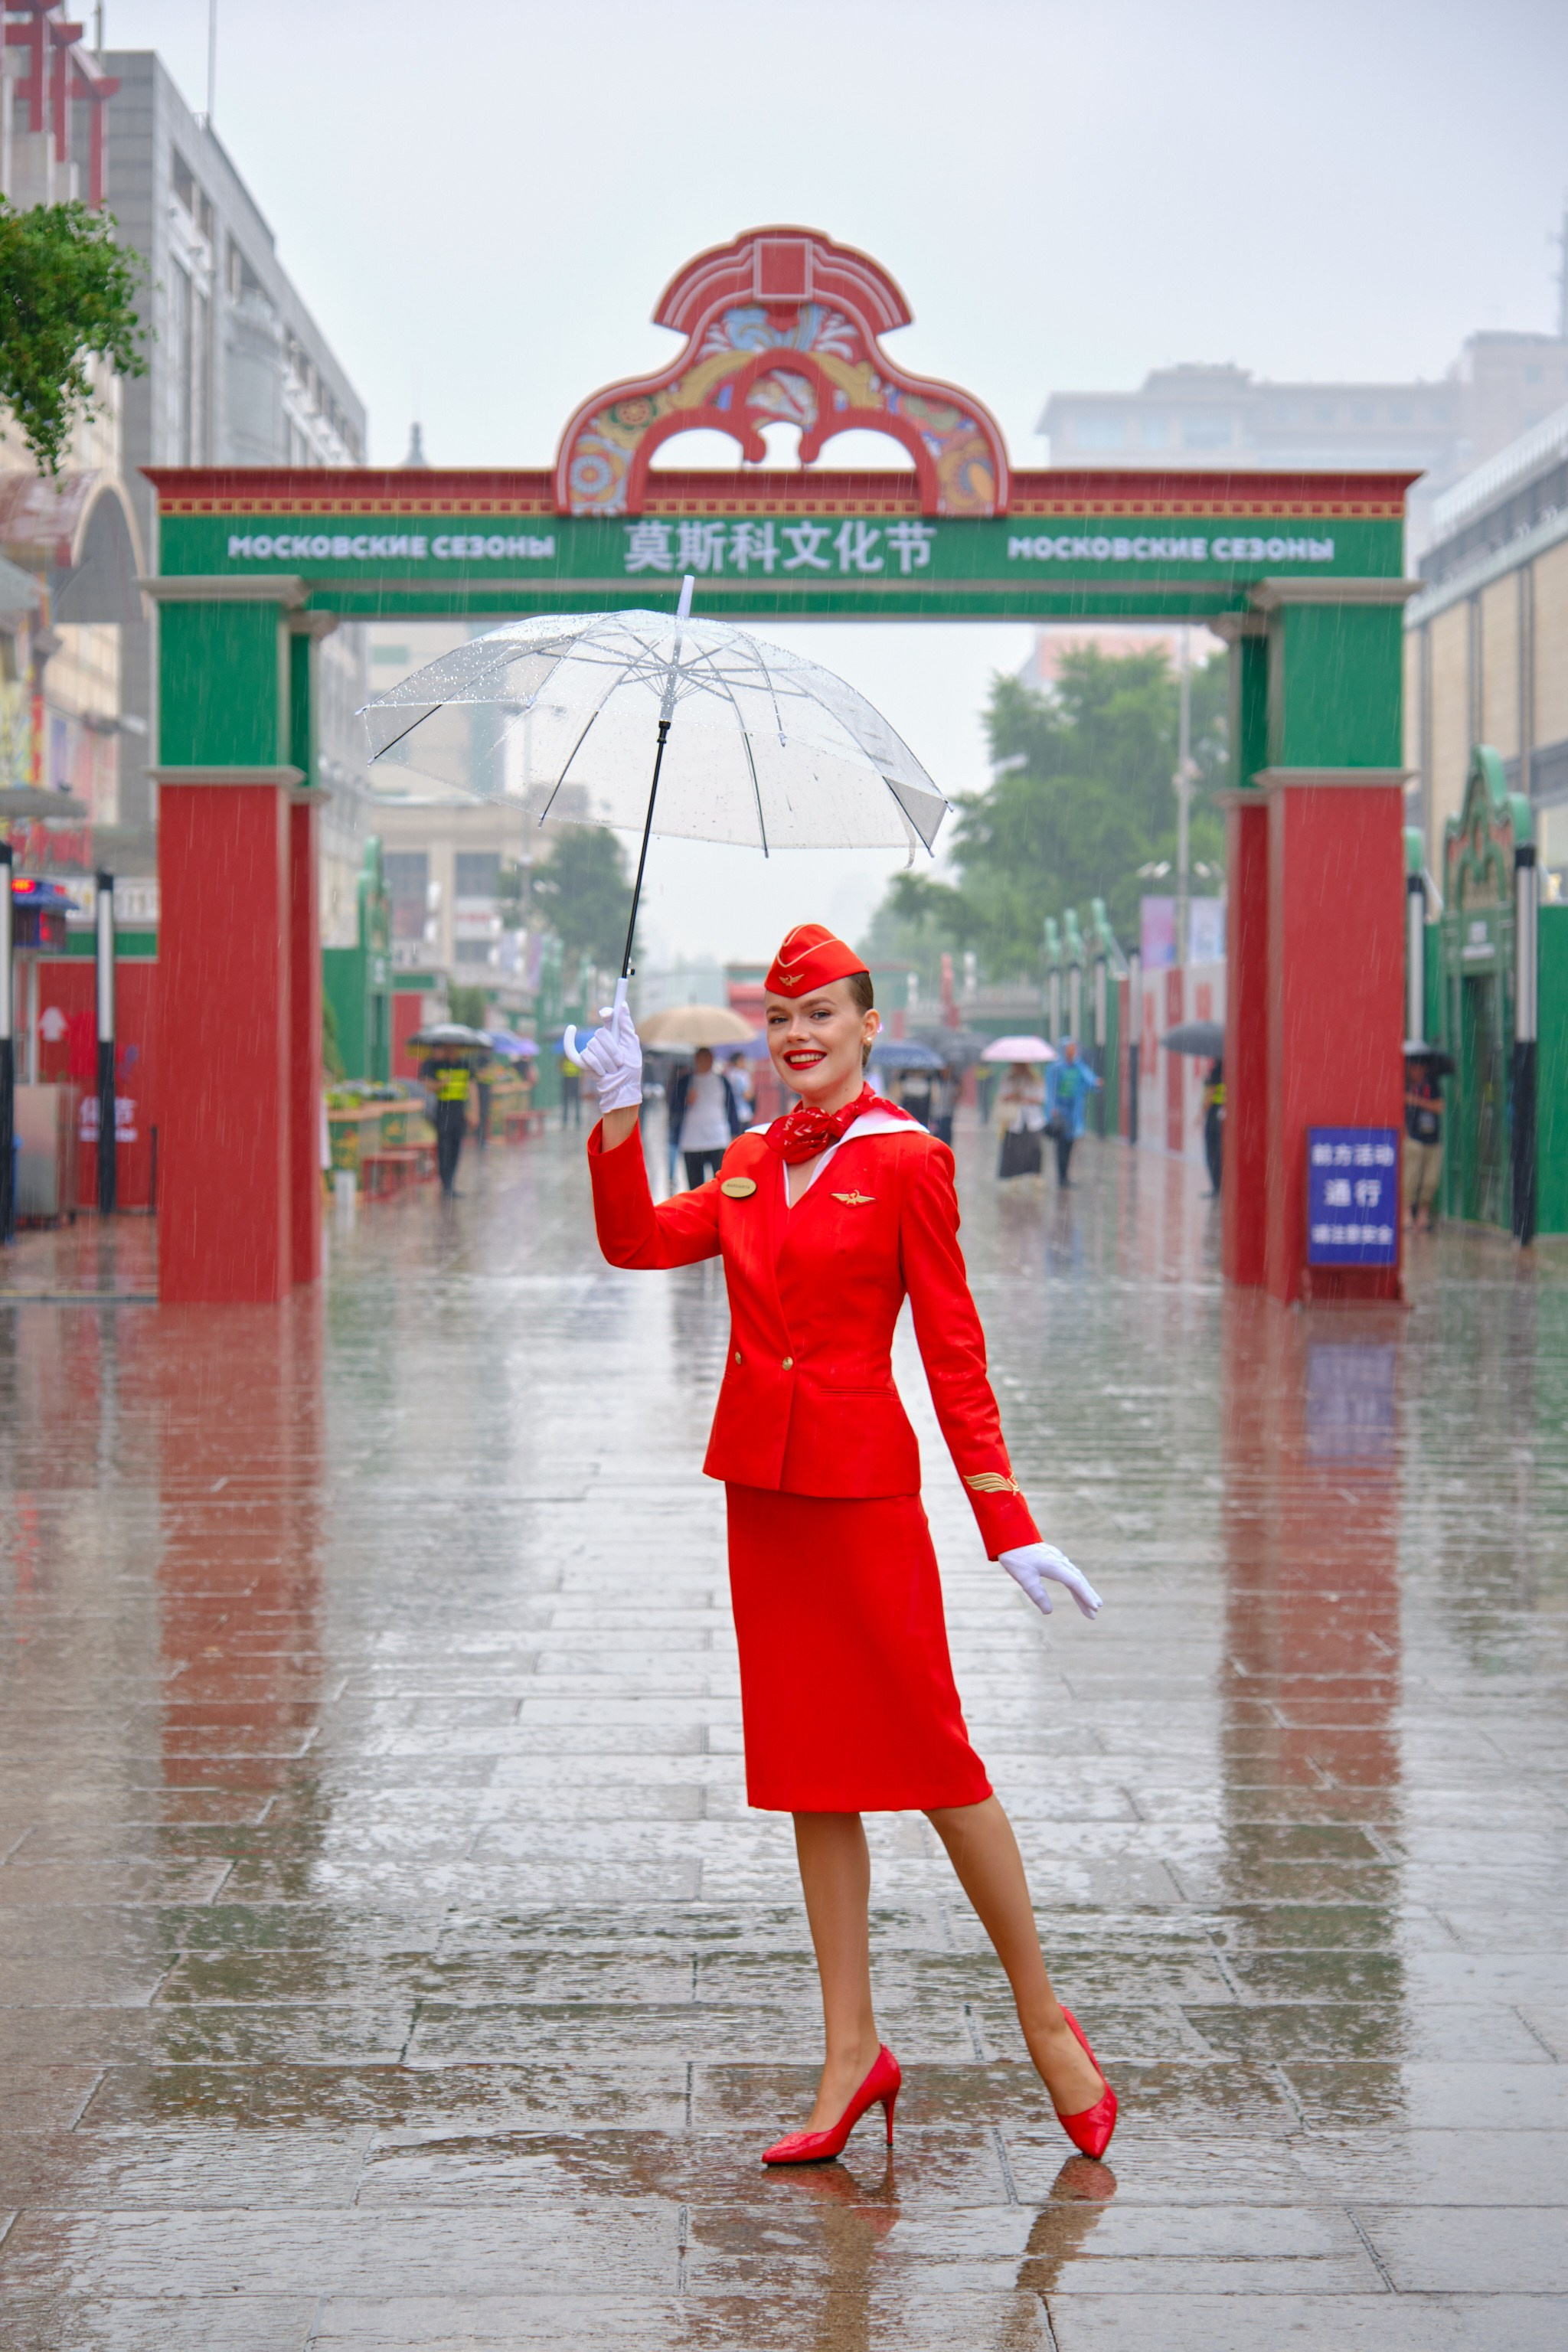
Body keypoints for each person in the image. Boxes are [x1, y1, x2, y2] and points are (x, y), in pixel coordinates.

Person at [577, 922, 1116, 2169]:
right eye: (779, 1019)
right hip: (760, 1496)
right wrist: (612, 1112)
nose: (796, 1037)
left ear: (870, 1026)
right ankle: (847, 2054)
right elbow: (631, 1242)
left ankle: (1045, 2020)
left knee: (933, 1756)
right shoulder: (751, 1160)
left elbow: (954, 1352)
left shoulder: (909, 1161)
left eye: (819, 1013)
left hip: (865, 1497)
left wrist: (1005, 1519)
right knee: (810, 1770)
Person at [668, 1046, 745, 1190]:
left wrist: (734, 1134)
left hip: (718, 1139)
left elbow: (731, 1109)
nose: (704, 1061)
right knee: (696, 1187)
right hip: (692, 1141)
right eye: (700, 1058)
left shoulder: (722, 1081)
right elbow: (673, 1106)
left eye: (707, 1058)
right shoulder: (686, 1081)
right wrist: (686, 1101)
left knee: (722, 1184)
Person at [1044, 1040, 1102, 1188]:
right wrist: (1052, 1108)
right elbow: (1050, 1090)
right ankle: (1061, 1177)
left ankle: (1066, 1176)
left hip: (1074, 1114)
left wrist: (1096, 1083)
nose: (1071, 1052)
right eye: (1069, 1050)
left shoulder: (1079, 1067)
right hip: (1060, 1113)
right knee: (1061, 1145)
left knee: (1070, 1144)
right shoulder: (1055, 1068)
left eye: (1073, 1050)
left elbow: (1090, 1081)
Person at [420, 1052, 472, 1195]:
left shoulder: (464, 1064)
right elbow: (426, 1085)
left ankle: (451, 1182)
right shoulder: (433, 1065)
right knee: (444, 1148)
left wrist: (473, 1110)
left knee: (456, 1147)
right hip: (443, 1112)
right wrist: (441, 1083)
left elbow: (471, 1087)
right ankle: (446, 1184)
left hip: (459, 1112)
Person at [1405, 1048, 1443, 1232]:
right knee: (1411, 1176)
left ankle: (1423, 1216)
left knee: (1430, 1179)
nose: (1418, 1071)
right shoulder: (1402, 1084)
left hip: (1432, 1138)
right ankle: (1406, 1216)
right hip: (1412, 1138)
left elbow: (1439, 1106)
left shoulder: (1432, 1084)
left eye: (1421, 1067)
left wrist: (1417, 1101)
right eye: (1414, 1067)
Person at [995, 1061, 1045, 1181]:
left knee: (1034, 1148)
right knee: (1014, 1150)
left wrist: (1026, 1099)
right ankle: (1014, 1177)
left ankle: (1034, 1175)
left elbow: (1041, 1098)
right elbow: (1003, 1095)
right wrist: (1014, 1095)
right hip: (1014, 1119)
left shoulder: (1036, 1079)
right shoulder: (1008, 1078)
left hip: (1032, 1119)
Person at [1200, 1057, 1224, 1196]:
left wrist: (1201, 1113)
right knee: (1219, 1152)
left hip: (1213, 1118)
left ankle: (1216, 1187)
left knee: (1212, 1153)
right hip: (1222, 1118)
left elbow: (1210, 1095)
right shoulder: (1227, 1070)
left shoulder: (1215, 1072)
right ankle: (1220, 1186)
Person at [559, 1054, 583, 1130]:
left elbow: (582, 1070)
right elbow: (560, 1068)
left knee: (576, 1102)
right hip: (567, 1079)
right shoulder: (564, 1058)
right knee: (566, 1102)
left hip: (575, 1079)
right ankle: (565, 1121)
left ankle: (577, 1120)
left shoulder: (577, 1059)